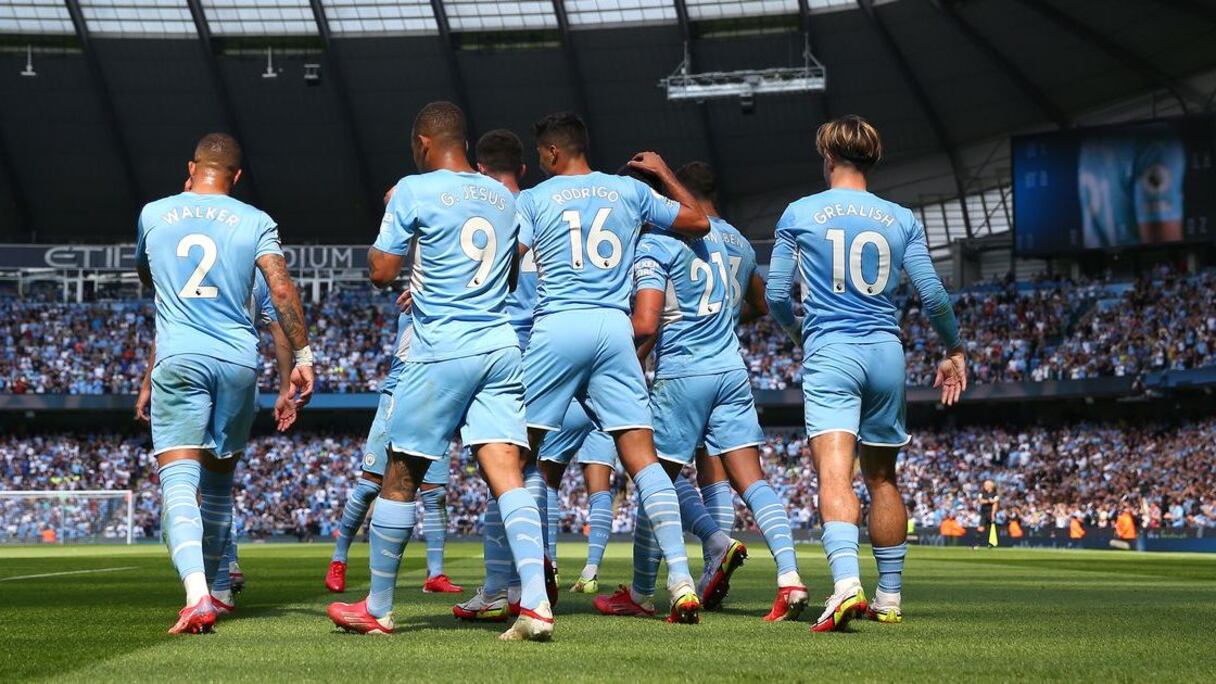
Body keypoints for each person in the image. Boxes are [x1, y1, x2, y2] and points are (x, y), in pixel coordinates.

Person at [326, 102, 551, 641]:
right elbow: (513, 270)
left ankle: (377, 608)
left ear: (423, 142)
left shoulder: (412, 189)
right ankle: (537, 604)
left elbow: (381, 271)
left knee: (402, 472)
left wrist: (412, 254)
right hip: (499, 346)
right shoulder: (503, 196)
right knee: (507, 471)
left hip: (441, 347)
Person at [765, 115, 966, 631]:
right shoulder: (900, 218)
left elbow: (775, 295)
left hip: (832, 351)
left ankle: (846, 586)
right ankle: (890, 597)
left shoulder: (800, 212)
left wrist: (797, 335)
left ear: (827, 157)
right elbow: (933, 295)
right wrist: (954, 348)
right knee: (882, 478)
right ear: (871, 159)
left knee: (835, 474)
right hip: (886, 353)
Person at [514, 111, 711, 623]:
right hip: (613, 330)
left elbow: (506, 260)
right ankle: (682, 580)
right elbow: (699, 221)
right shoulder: (628, 192)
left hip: (557, 326)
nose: (539, 164)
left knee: (518, 458)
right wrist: (666, 173)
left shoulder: (533, 199)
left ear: (553, 153)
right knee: (644, 461)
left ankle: (529, 579)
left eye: (540, 156)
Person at [596, 164, 808, 623]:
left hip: (683, 372)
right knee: (753, 480)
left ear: (678, 195)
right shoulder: (738, 242)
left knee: (653, 478)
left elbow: (647, 321)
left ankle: (642, 590)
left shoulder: (660, 241)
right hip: (731, 371)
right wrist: (724, 322)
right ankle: (790, 580)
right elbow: (759, 303)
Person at [136, 132, 314, 634]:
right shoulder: (256, 221)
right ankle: (218, 582)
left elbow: (149, 279)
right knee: (218, 484)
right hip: (237, 362)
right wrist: (303, 357)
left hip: (179, 358)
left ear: (190, 168)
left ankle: (198, 595)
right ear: (236, 176)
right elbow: (280, 289)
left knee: (178, 480)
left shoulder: (154, 213)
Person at [136, 263, 297, 605]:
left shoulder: (181, 268)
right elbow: (279, 328)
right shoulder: (253, 272)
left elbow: (164, 329)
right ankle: (223, 580)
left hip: (184, 366)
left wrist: (147, 382)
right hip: (238, 371)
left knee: (187, 483)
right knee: (218, 484)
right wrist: (285, 385)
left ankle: (210, 579)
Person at [324, 290, 462, 595]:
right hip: (396, 399)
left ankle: (435, 573)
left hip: (435, 403)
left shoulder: (454, 307)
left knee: (435, 494)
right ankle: (338, 559)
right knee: (369, 486)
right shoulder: (414, 310)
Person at [975, 479, 999, 549]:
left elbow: (995, 504)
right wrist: (989, 501)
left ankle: (990, 544)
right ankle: (977, 544)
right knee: (980, 528)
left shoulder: (995, 494)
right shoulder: (982, 493)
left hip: (990, 513)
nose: (984, 486)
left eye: (986, 485)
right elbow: (981, 501)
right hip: (984, 513)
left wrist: (993, 514)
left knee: (990, 529)